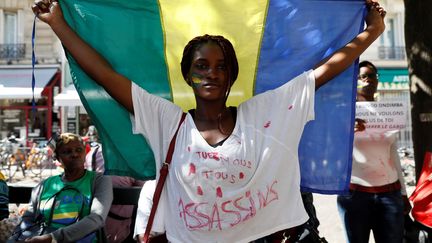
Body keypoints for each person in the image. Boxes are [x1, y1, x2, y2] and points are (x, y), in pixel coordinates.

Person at [32, 0, 386, 242]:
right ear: (187, 75)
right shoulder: (166, 121)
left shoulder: (268, 112)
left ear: (231, 76)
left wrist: (372, 32)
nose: (211, 74)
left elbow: (324, 70)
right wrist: (58, 24)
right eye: (201, 66)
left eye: (221, 67)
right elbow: (104, 74)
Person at [337, 61, 411, 243]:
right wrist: (346, 132)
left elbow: (393, 154)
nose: (368, 80)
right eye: (363, 76)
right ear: (355, 81)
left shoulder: (388, 113)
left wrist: (403, 193)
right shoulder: (343, 113)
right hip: (355, 195)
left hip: (390, 194)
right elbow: (332, 153)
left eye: (372, 76)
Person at [10, 133, 113, 243]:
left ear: (85, 153)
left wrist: (52, 238)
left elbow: (96, 219)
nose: (74, 154)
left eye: (79, 150)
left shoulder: (99, 181)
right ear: (57, 158)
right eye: (67, 152)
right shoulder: (44, 185)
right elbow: (28, 219)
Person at [84, 125, 145, 243]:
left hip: (94, 228)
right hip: (125, 231)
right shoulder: (133, 157)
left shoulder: (92, 155)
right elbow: (145, 191)